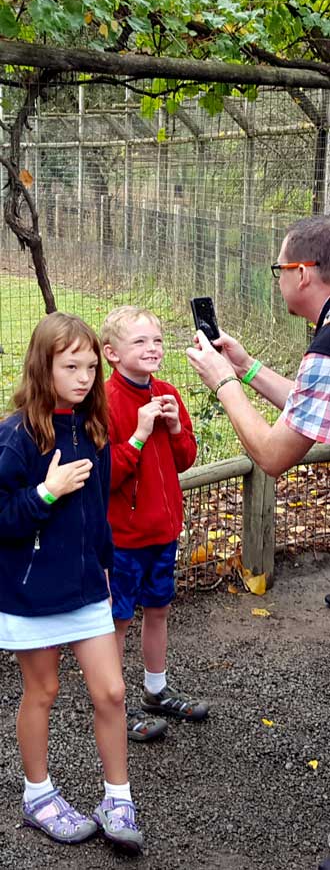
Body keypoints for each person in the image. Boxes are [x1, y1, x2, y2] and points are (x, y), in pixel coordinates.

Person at [0, 312, 142, 852]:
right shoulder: (14, 437)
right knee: (44, 690)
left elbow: (98, 515)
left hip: (86, 586)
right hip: (30, 591)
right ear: (43, 366)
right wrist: (46, 492)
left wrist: (106, 569)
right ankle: (38, 796)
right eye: (70, 366)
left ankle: (118, 798)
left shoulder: (93, 427)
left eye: (90, 366)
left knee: (112, 691)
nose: (84, 378)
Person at [100, 305, 209, 743]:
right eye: (140, 341)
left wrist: (177, 426)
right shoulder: (105, 403)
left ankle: (155, 691)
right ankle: (113, 706)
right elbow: (103, 476)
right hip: (123, 539)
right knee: (118, 620)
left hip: (164, 532)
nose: (152, 348)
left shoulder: (166, 392)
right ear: (111, 353)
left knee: (159, 610)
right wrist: (139, 435)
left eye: (158, 340)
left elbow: (185, 459)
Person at [186, 214, 330, 523]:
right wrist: (246, 367)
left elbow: (272, 455)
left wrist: (223, 382)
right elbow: (315, 405)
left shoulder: (326, 350)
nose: (278, 280)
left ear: (302, 273)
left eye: (280, 270)